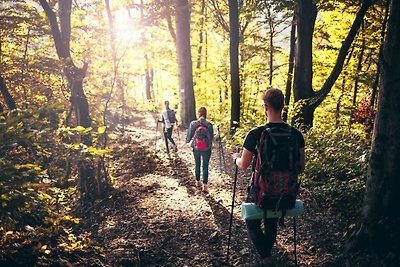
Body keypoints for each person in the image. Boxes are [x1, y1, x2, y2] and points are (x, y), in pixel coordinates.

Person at [232, 88, 305, 266]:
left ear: (265, 107)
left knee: (251, 223)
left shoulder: (255, 134)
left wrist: (236, 159)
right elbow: (301, 167)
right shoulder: (296, 135)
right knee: (271, 221)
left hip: (260, 191)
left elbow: (243, 165)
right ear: (282, 106)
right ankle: (267, 253)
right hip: (286, 191)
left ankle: (266, 257)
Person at [186, 107, 214, 193]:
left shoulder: (193, 124)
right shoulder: (209, 124)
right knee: (205, 166)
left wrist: (186, 142)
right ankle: (205, 186)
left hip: (196, 147)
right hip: (206, 148)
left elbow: (189, 136)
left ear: (199, 113)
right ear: (206, 114)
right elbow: (212, 138)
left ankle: (197, 181)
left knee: (197, 164)